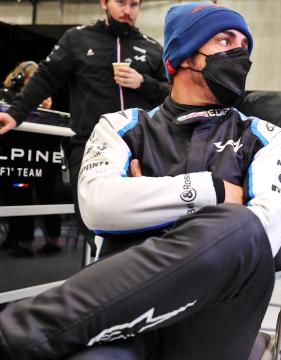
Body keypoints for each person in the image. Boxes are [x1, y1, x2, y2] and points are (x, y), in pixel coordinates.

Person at [0, 3, 281, 359]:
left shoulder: (265, 135)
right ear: (186, 55)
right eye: (225, 40)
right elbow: (98, 207)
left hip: (215, 321)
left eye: (244, 45)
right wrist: (214, 191)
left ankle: (19, 332)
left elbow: (266, 230)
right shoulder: (120, 126)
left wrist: (146, 199)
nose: (239, 53)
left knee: (242, 225)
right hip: (127, 321)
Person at [0, 0, 169, 245]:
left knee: (145, 225)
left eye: (134, 4)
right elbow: (45, 77)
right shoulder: (77, 39)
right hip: (90, 148)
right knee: (92, 224)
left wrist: (144, 83)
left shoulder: (153, 48)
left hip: (141, 150)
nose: (127, 10)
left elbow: (173, 94)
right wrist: (15, 114)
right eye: (121, 2)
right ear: (104, 3)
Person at [0, 61, 59, 256]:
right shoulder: (5, 96)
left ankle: (51, 241)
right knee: (19, 195)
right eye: (31, 80)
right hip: (14, 157)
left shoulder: (42, 98)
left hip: (43, 158)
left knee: (47, 196)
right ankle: (21, 241)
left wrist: (46, 109)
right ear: (18, 79)